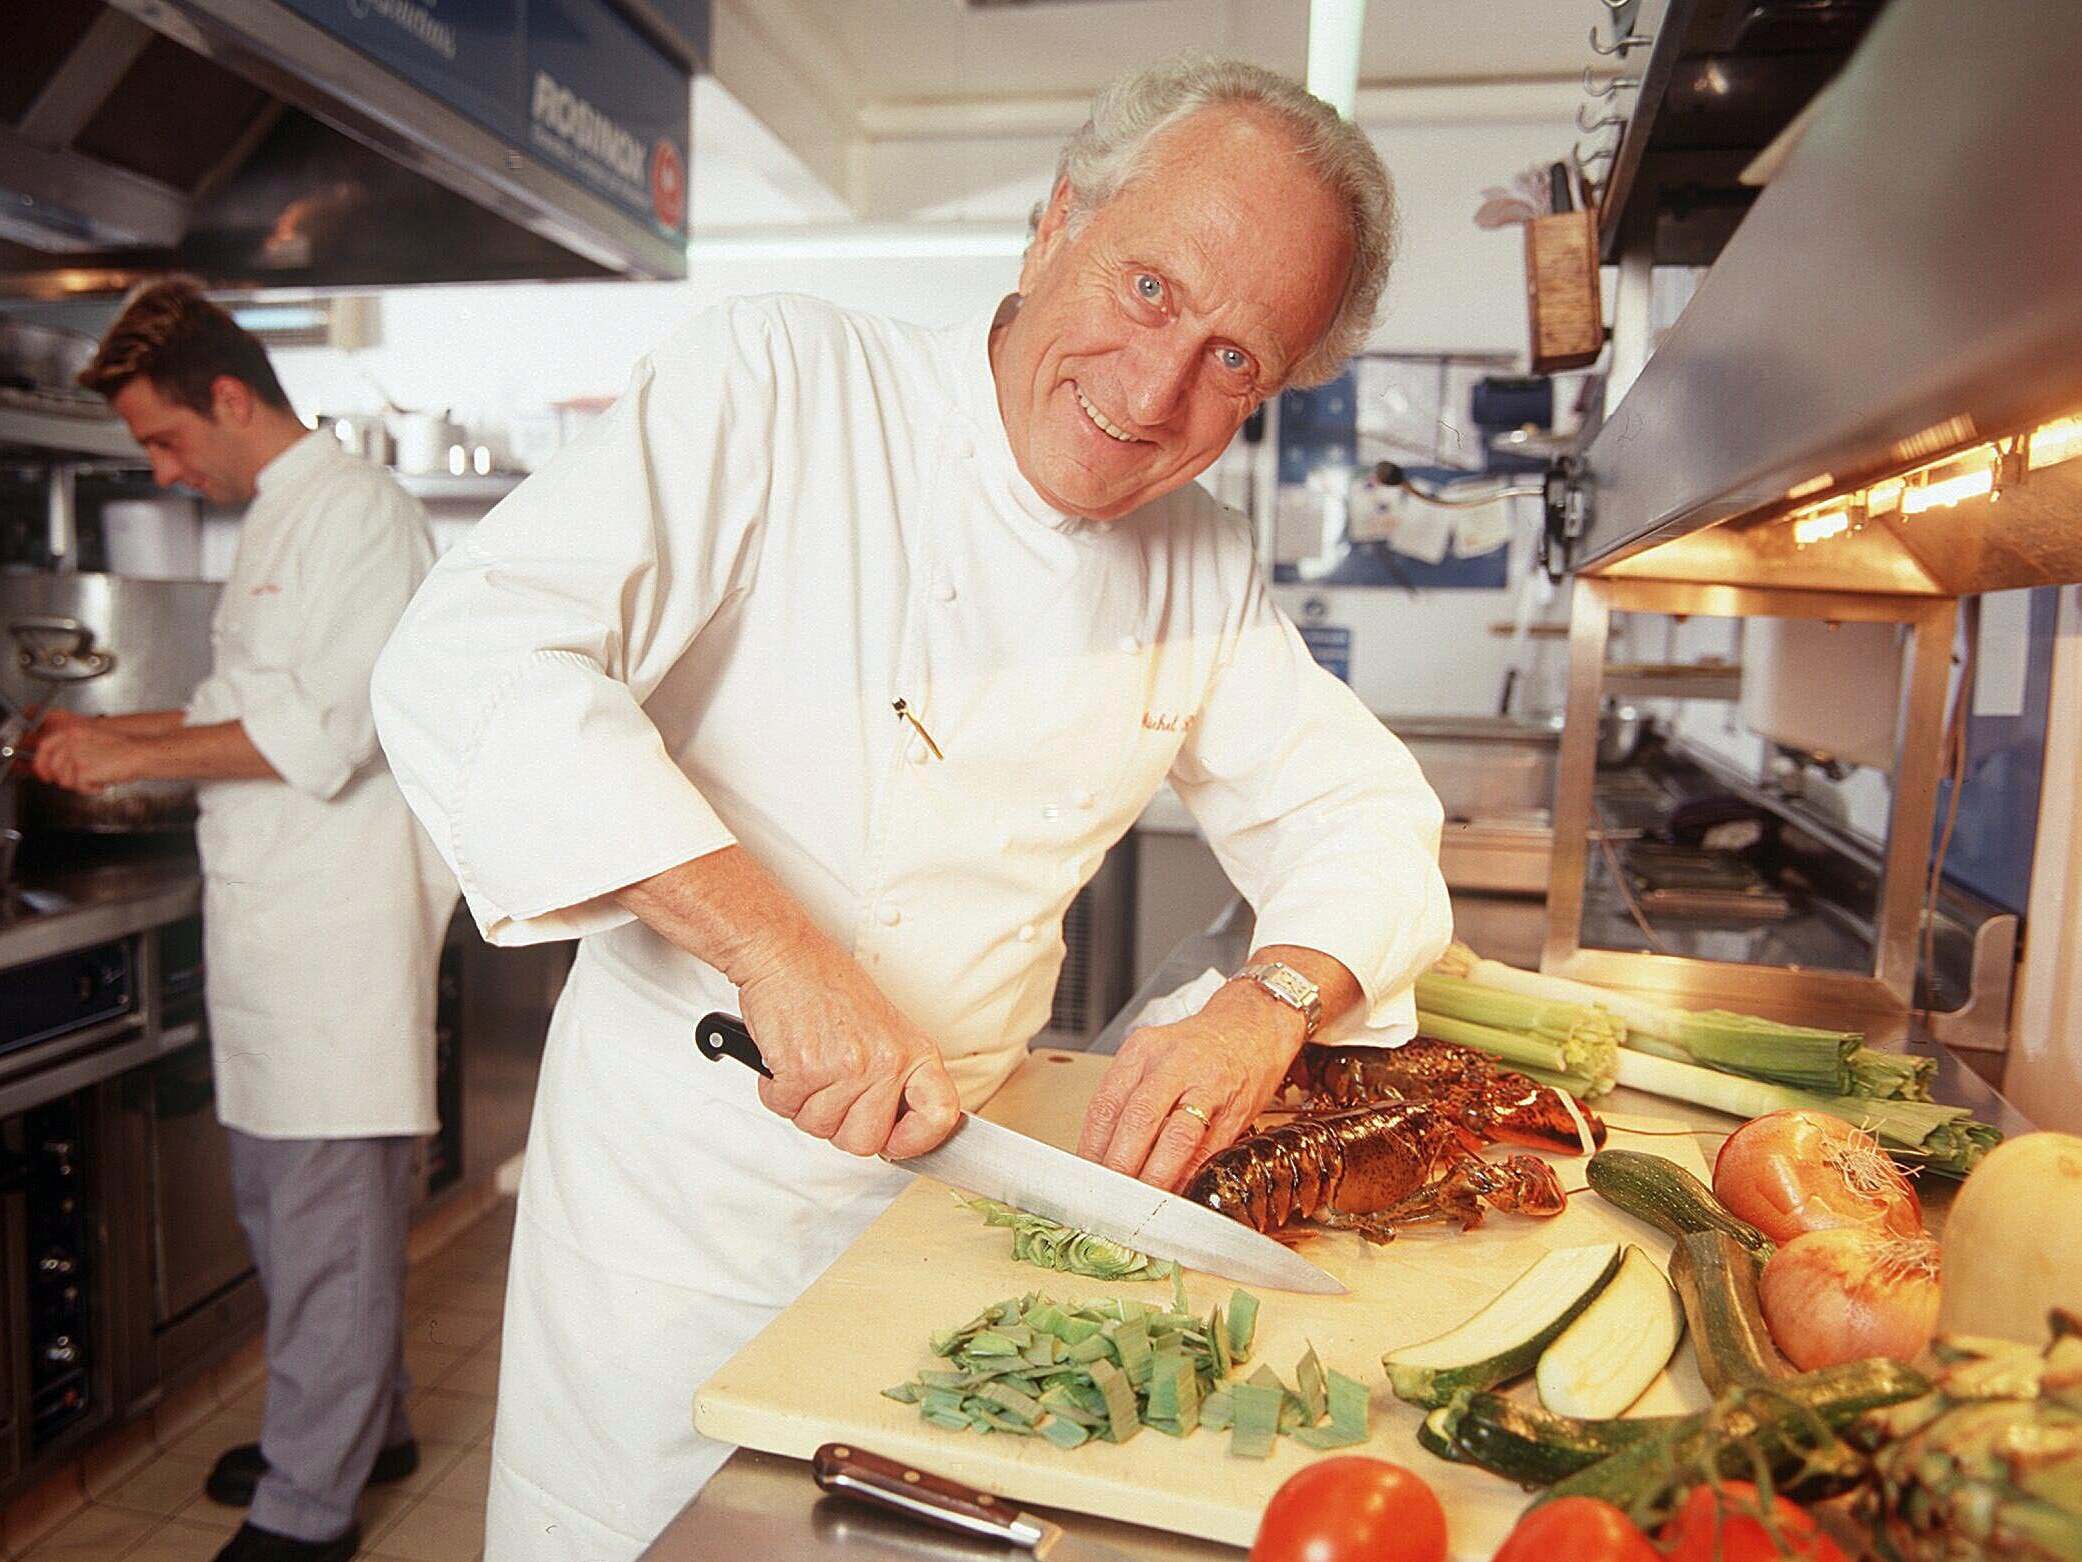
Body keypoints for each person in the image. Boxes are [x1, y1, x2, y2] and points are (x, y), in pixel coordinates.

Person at [371, 55, 1450, 1562]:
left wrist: (1266, 999)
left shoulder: (1199, 558)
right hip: (679, 1214)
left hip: (949, 1206)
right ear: (1055, 217)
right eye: (1148, 288)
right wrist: (775, 950)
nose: (1152, 397)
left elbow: (1362, 811)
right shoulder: (781, 384)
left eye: (1233, 363)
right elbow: (473, 653)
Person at [42, 280, 459, 1562]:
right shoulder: (276, 520)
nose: (162, 471)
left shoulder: (364, 516)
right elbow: (237, 697)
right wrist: (111, 730)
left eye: (165, 440)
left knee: (329, 1222)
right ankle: (362, 1423)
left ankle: (306, 1509)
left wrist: (122, 761)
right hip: (276, 937)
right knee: (292, 1214)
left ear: (231, 397)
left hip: (338, 941)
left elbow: (321, 734)